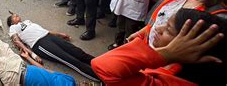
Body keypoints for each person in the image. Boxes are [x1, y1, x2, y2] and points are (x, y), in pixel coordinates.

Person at [92, 8, 227, 85]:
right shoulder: (174, 67)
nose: (159, 28)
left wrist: (165, 53)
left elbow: (103, 66)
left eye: (168, 29)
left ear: (192, 47)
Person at [7, 13, 100, 81]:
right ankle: (100, 77)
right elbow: (17, 42)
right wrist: (33, 54)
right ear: (11, 22)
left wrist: (59, 34)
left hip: (49, 36)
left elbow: (44, 30)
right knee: (70, 60)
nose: (17, 15)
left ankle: (101, 64)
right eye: (14, 16)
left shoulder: (27, 22)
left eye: (16, 14)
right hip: (40, 44)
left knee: (78, 52)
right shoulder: (13, 28)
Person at [0, 24, 76, 86]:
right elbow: (46, 70)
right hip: (21, 65)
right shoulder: (71, 80)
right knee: (3, 48)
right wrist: (28, 57)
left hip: (14, 77)